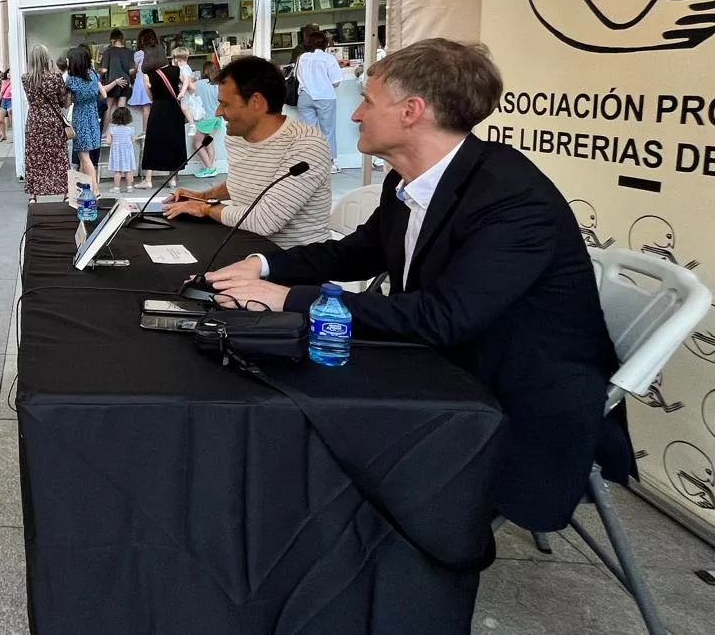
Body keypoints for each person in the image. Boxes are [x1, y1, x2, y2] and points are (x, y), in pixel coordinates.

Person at [205, 39, 623, 533]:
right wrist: (264, 266)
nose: (356, 114)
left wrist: (287, 299)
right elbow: (356, 250)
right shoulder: (410, 179)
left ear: (411, 112)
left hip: (504, 391)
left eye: (368, 101)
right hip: (439, 360)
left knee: (306, 404)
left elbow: (444, 318)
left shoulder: (511, 196)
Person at [162, 56, 332, 248]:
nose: (218, 112)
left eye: (225, 104)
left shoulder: (306, 144)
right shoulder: (236, 136)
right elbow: (244, 182)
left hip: (295, 264)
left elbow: (265, 221)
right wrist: (201, 196)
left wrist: (205, 208)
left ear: (256, 102)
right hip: (244, 250)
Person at [64, 47, 121, 195]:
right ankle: (85, 189)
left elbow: (67, 103)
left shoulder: (72, 79)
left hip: (80, 116)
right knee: (86, 158)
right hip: (93, 116)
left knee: (84, 157)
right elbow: (102, 94)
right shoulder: (93, 74)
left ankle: (95, 190)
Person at [139, 46, 194, 187]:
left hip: (158, 109)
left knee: (153, 143)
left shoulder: (148, 75)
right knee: (174, 141)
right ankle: (173, 179)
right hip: (174, 109)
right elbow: (186, 85)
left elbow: (150, 96)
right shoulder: (176, 70)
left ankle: (148, 180)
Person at [21, 44, 69, 203]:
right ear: (46, 59)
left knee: (34, 157)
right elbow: (63, 102)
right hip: (52, 122)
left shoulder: (25, 78)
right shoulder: (55, 78)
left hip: (34, 121)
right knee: (59, 156)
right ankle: (65, 191)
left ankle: (33, 195)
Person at [294, 26, 345, 171]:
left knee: (308, 132)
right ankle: (329, 163)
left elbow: (297, 76)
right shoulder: (328, 58)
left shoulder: (302, 58)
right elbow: (336, 82)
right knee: (328, 130)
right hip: (325, 96)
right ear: (325, 43)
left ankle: (310, 163)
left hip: (305, 96)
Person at [99, 30, 137, 131]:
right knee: (121, 108)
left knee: (108, 108)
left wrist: (100, 71)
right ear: (122, 39)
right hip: (125, 82)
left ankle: (104, 133)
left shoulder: (108, 51)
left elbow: (104, 70)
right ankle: (120, 131)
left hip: (112, 82)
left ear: (112, 40)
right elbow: (131, 71)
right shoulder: (130, 52)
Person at [192, 61, 223, 177]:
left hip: (205, 119)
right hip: (216, 118)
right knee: (209, 143)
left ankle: (209, 168)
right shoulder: (218, 85)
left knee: (197, 143)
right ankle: (210, 168)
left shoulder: (198, 84)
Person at [130, 29, 158, 141]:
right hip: (153, 80)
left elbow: (135, 69)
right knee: (154, 106)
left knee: (146, 107)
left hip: (141, 81)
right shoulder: (156, 52)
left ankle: (145, 130)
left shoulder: (138, 54)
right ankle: (153, 129)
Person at [107, 106, 138, 193]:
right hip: (128, 153)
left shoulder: (112, 129)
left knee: (118, 171)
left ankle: (116, 188)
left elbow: (108, 141)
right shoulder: (130, 129)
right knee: (128, 171)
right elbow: (132, 140)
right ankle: (129, 187)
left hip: (117, 153)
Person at [0, 70, 13, 142]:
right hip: (3, 100)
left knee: (11, 119)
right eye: (8, 73)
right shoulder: (4, 82)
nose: (9, 74)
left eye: (10, 73)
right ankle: (3, 136)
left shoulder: (14, 82)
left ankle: (14, 136)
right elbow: (1, 92)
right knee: (0, 120)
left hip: (10, 100)